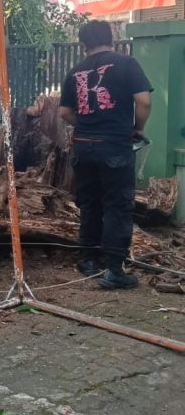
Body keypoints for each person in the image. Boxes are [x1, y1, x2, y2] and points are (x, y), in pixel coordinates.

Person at [59, 20, 152, 290]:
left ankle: (88, 259)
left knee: (89, 204)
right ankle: (114, 270)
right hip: (115, 147)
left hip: (82, 147)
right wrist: (137, 128)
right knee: (117, 207)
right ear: (111, 38)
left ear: (83, 44)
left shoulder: (74, 71)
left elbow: (64, 113)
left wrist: (88, 127)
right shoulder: (126, 64)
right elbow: (144, 101)